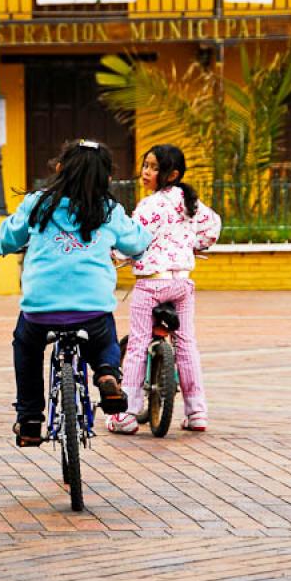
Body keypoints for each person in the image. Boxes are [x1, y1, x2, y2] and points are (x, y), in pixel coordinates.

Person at [0, 139, 152, 447]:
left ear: (60, 169)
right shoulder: (108, 209)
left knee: (25, 345)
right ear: (105, 177)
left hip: (40, 310)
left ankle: (30, 419)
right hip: (91, 309)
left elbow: (8, 236)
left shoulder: (38, 203)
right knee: (104, 336)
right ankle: (106, 374)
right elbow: (136, 242)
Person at [106, 144, 221, 436]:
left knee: (137, 345)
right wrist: (192, 245)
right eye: (145, 165)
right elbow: (212, 228)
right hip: (182, 283)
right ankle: (196, 412)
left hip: (152, 284)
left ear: (172, 174)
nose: (146, 172)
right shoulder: (189, 200)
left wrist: (117, 255)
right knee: (187, 344)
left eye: (154, 167)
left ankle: (126, 414)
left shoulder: (149, 205)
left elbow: (133, 241)